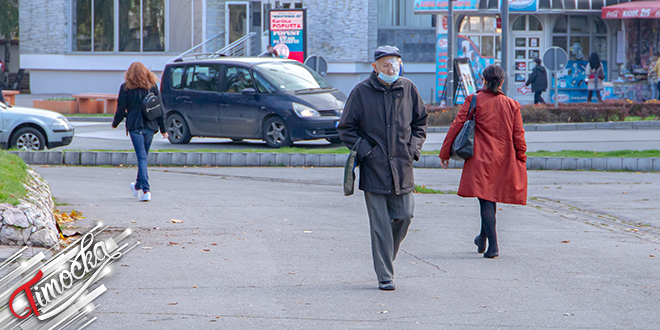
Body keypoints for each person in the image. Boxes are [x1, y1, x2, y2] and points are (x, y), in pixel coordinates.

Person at [338, 45, 427, 291]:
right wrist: (367, 151)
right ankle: (385, 276)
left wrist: (413, 149)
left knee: (405, 216)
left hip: (403, 165)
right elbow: (346, 129)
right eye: (386, 65)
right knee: (379, 226)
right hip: (374, 168)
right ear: (375, 67)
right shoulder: (361, 92)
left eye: (395, 64)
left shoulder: (408, 88)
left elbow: (420, 123)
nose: (391, 69)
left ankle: (385, 258)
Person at [439, 64, 527, 259]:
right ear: (502, 81)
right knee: (489, 197)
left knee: (485, 199)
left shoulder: (474, 100)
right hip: (503, 159)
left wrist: (445, 152)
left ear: (483, 80)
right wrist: (521, 156)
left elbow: (457, 125)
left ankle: (493, 246)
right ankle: (482, 239)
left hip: (480, 157)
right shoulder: (512, 105)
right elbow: (518, 135)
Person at [111, 62, 168, 202]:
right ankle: (137, 187)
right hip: (150, 126)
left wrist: (115, 123)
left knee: (142, 157)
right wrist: (163, 129)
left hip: (135, 127)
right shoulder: (152, 86)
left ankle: (146, 190)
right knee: (143, 156)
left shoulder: (125, 88)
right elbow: (159, 108)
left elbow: (120, 109)